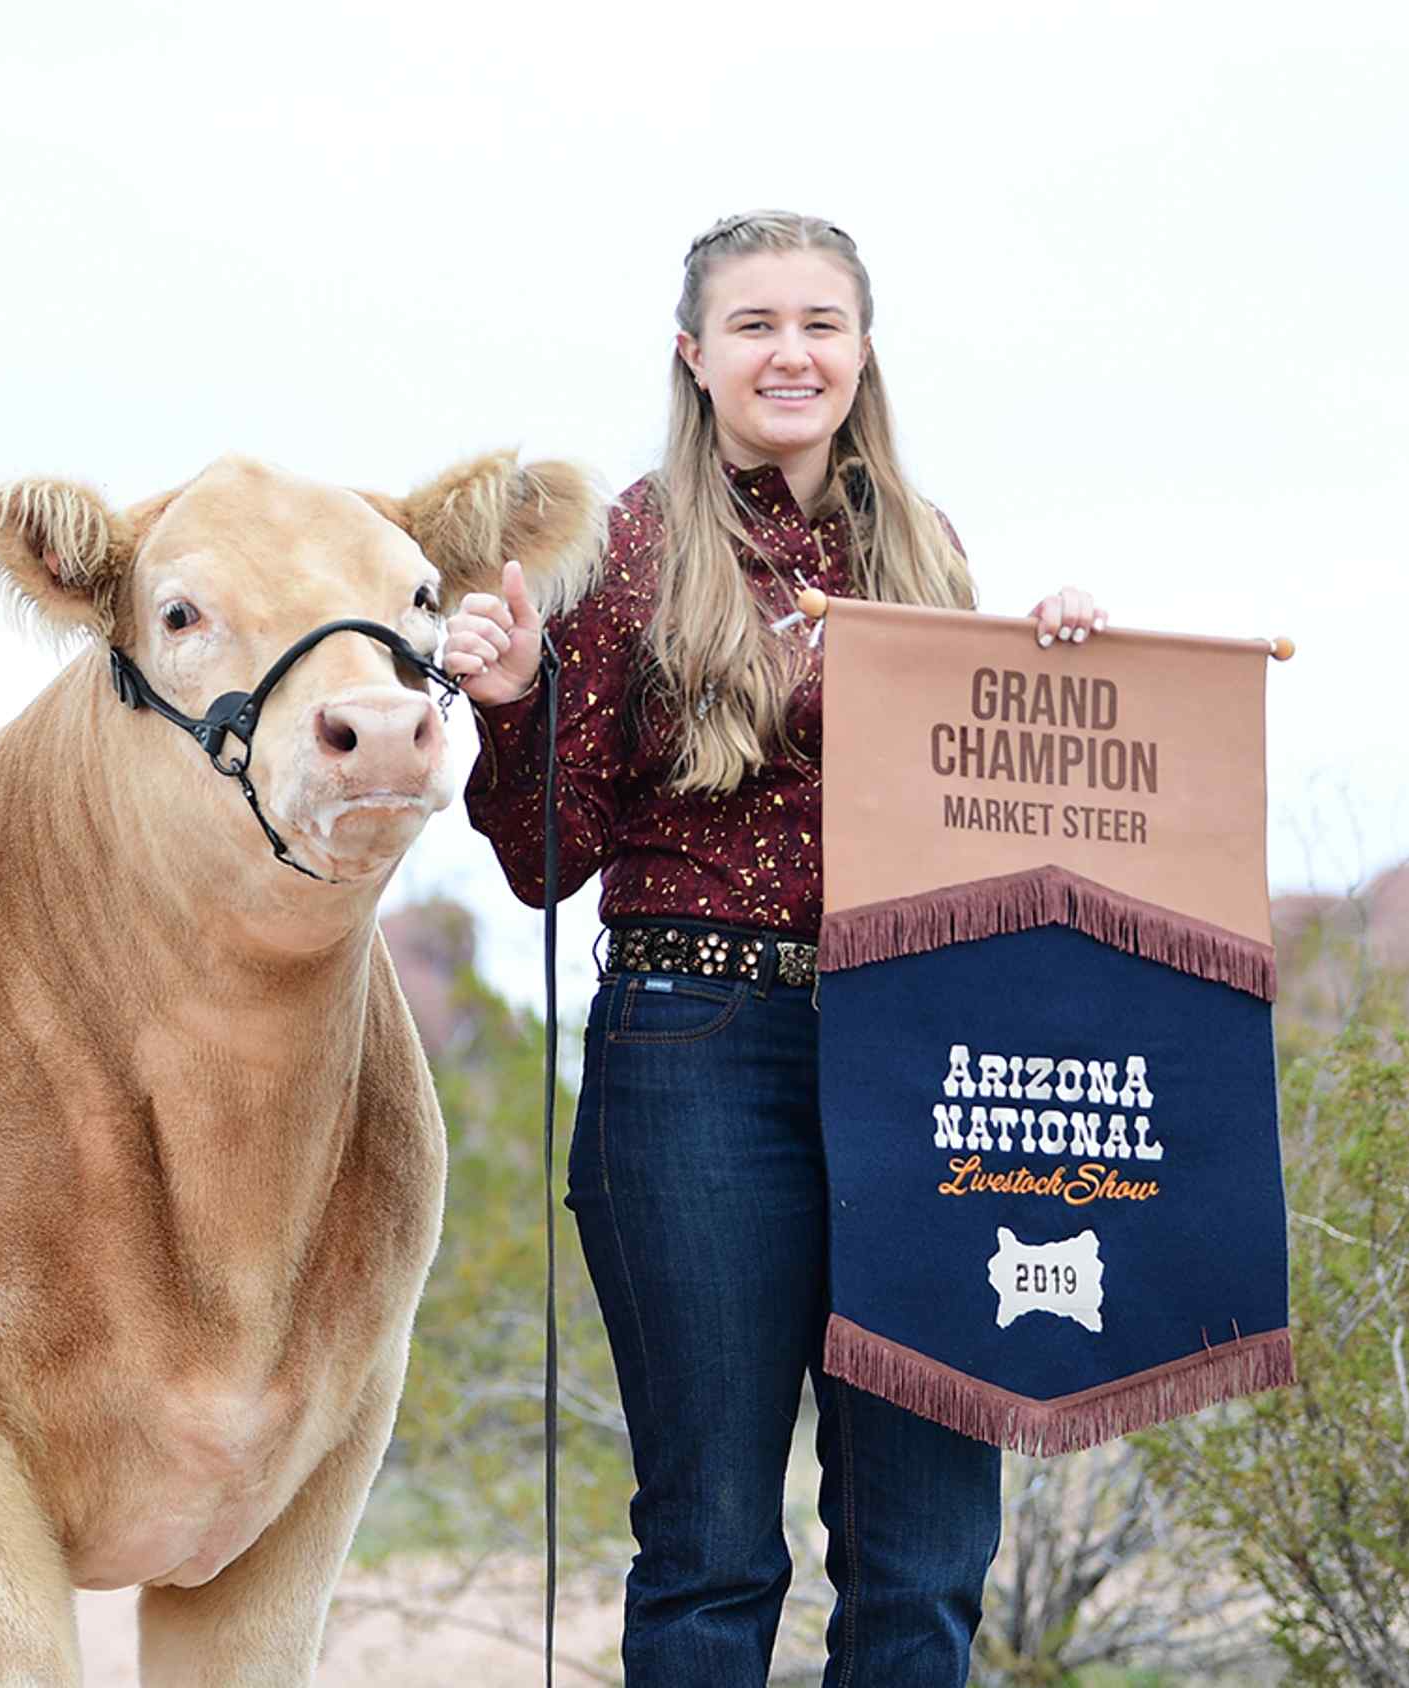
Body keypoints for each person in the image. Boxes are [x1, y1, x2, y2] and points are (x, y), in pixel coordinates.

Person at [441, 208, 1109, 1685]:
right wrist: (510, 709)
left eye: (819, 323)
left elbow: (995, 810)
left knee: (928, 1552)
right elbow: (552, 855)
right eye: (753, 325)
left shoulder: (925, 554)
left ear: (864, 353)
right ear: (694, 357)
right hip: (697, 1049)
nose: (788, 352)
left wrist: (1069, 666)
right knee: (712, 1548)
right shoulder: (627, 545)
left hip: (918, 1059)